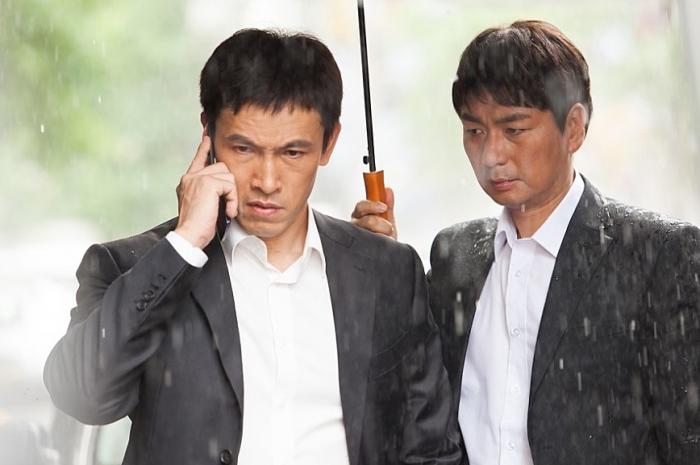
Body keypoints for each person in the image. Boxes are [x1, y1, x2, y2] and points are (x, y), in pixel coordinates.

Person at [44, 28, 462, 465]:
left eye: (292, 153)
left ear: (329, 142)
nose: (267, 180)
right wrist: (184, 245)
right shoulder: (134, 267)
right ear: (207, 134)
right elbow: (81, 396)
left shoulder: (387, 271)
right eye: (244, 148)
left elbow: (430, 450)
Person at [352, 20, 700, 464]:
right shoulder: (454, 258)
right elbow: (410, 403)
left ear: (574, 128)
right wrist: (383, 268)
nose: (491, 154)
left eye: (513, 130)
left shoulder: (660, 256)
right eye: (474, 131)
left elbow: (687, 440)